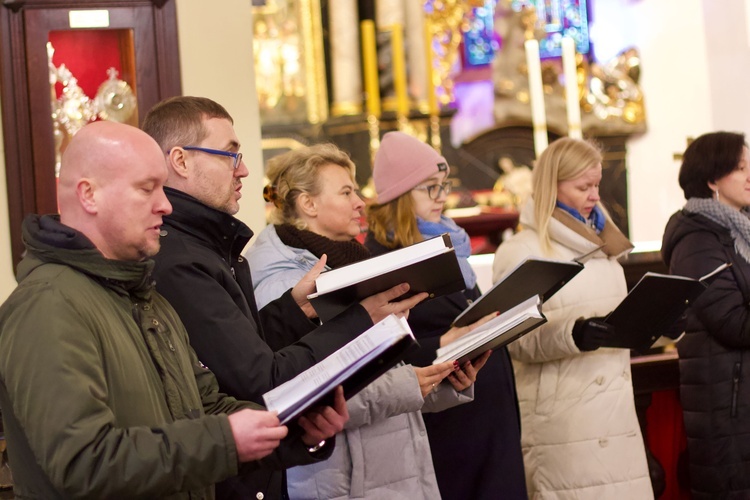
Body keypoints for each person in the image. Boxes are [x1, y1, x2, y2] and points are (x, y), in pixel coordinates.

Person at [0, 121, 349, 499]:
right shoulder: (48, 304)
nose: (165, 205)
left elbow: (204, 408)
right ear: (89, 195)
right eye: (146, 188)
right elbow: (83, 462)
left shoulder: (147, 297)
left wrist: (293, 428)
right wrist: (227, 440)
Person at [142, 96, 423, 499]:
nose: (244, 170)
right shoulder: (182, 260)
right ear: (182, 161)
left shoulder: (207, 246)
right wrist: (360, 319)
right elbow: (259, 381)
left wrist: (295, 309)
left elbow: (243, 350)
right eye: (229, 155)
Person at [246, 142, 492, 499]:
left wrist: (442, 384)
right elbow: (305, 389)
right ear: (308, 203)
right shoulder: (283, 281)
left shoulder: (345, 263)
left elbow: (380, 368)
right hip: (342, 479)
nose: (361, 202)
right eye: (346, 192)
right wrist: (411, 384)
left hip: (385, 465)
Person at [361, 131, 527, 500]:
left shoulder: (447, 244)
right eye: (429, 188)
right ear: (400, 196)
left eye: (443, 186)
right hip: (447, 424)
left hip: (486, 413)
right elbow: (384, 354)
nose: (441, 198)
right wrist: (449, 340)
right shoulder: (382, 261)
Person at [492, 137, 652, 498]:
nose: (595, 195)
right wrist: (573, 333)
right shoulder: (522, 251)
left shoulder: (605, 249)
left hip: (617, 417)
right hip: (563, 425)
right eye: (584, 187)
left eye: (596, 184)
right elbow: (511, 339)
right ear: (552, 185)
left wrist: (654, 322)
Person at [661, 131, 750, 497]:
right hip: (727, 404)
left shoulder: (742, 230)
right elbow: (733, 323)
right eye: (740, 168)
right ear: (712, 180)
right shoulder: (696, 238)